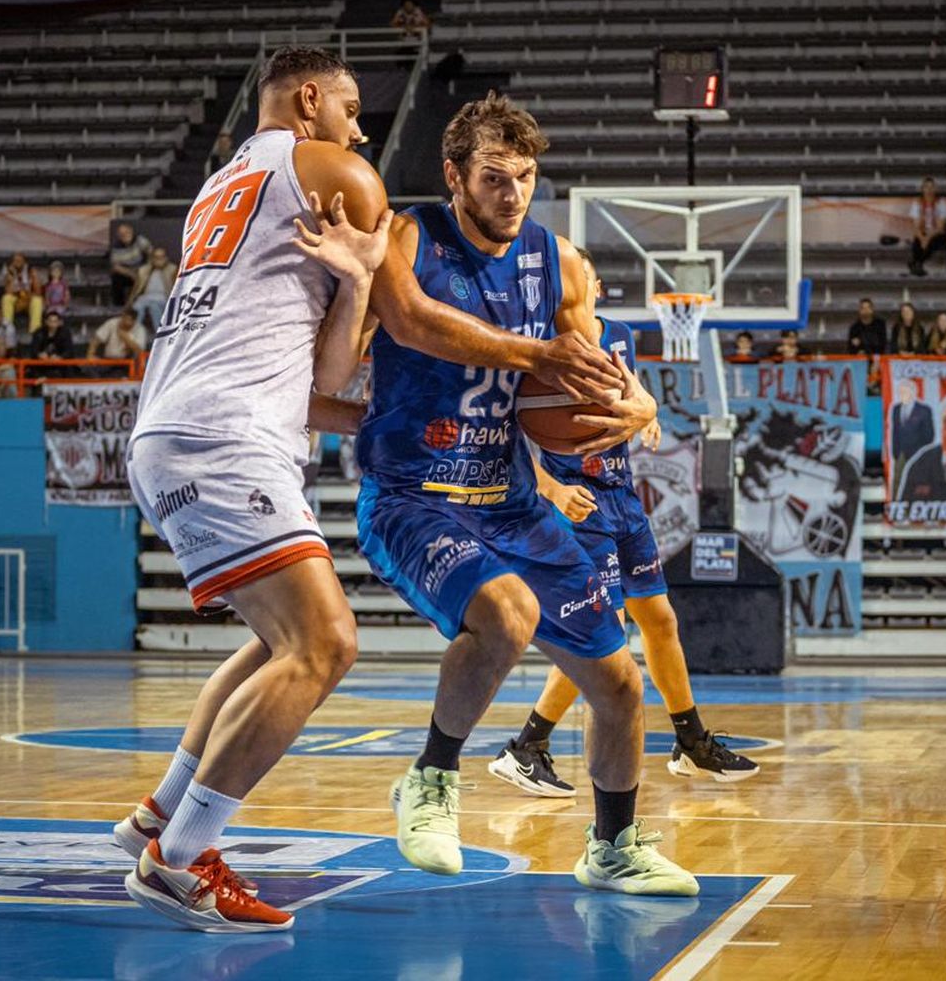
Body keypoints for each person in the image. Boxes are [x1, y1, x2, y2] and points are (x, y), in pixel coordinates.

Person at [115, 48, 625, 933]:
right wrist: (537, 355)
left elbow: (332, 370)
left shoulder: (216, 189)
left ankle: (158, 817)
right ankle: (182, 857)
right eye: (351, 108)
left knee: (277, 646)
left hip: (176, 428)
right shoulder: (336, 173)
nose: (361, 130)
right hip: (225, 435)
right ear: (309, 100)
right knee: (326, 647)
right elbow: (412, 318)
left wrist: (353, 286)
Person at [354, 92, 695, 896]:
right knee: (507, 617)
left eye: (527, 178)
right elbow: (414, 328)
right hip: (412, 494)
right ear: (454, 177)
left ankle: (612, 848)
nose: (513, 195)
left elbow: (589, 370)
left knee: (618, 683)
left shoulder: (560, 263)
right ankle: (431, 780)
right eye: (495, 178)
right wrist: (536, 356)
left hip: (507, 499)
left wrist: (638, 404)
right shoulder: (408, 238)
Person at [490, 251, 757, 798]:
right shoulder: (535, 349)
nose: (568, 281)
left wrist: (650, 413)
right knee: (605, 633)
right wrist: (551, 489)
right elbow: (502, 433)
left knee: (658, 619)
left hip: (622, 495)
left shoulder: (620, 337)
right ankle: (527, 747)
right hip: (577, 504)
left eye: (577, 272)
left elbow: (632, 397)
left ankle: (691, 743)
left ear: (595, 284)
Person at [889, 378, 934, 476]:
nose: (901, 395)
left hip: (917, 454)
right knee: (898, 481)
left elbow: (929, 436)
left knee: (917, 480)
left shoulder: (924, 410)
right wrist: (895, 452)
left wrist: (920, 452)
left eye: (904, 392)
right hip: (900, 455)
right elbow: (895, 432)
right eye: (900, 392)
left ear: (913, 393)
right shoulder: (896, 409)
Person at [907, 177, 946, 276]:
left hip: (937, 233)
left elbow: (940, 227)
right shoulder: (917, 203)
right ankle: (918, 266)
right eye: (926, 187)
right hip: (923, 231)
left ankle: (916, 263)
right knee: (917, 241)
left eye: (932, 187)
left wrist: (927, 238)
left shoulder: (941, 203)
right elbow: (915, 226)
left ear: (935, 189)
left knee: (933, 241)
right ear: (922, 189)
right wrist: (922, 238)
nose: (929, 190)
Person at [130, 247, 178, 329]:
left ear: (166, 258)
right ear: (152, 258)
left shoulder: (172, 269)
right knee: (137, 307)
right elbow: (136, 288)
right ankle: (135, 333)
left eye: (161, 257)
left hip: (163, 297)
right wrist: (129, 302)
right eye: (156, 257)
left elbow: (176, 288)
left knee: (154, 307)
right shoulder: (144, 270)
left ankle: (159, 333)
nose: (159, 260)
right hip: (146, 297)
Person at [109, 222, 154, 307]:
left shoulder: (140, 240)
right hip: (128, 272)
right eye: (121, 234)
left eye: (126, 232)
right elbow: (116, 267)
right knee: (116, 278)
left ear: (131, 231)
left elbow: (152, 254)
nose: (124, 235)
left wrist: (145, 270)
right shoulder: (116, 247)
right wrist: (131, 274)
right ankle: (119, 306)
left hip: (143, 270)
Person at [1, 252, 44, 335]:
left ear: (24, 261)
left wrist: (34, 278)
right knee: (6, 298)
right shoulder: (8, 271)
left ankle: (35, 331)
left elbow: (38, 292)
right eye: (15, 261)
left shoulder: (31, 270)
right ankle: (8, 329)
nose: (18, 263)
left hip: (29, 299)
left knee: (37, 300)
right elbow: (8, 291)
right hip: (16, 301)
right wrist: (11, 277)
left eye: (20, 260)